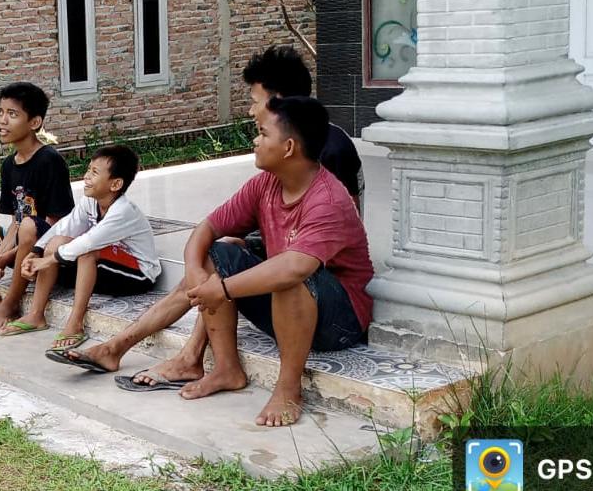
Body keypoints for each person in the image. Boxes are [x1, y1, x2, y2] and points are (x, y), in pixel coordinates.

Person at [50, 97, 373, 428]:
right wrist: (197, 274)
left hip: (338, 321)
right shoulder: (266, 183)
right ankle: (225, 368)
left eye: (262, 133)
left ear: (288, 147)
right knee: (218, 252)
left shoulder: (328, 199)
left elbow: (295, 268)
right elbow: (207, 228)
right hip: (288, 311)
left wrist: (222, 288)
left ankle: (288, 389)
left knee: (286, 275)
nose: (254, 140)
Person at [0, 82, 75, 331]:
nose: (2, 121)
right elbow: (16, 222)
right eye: (0, 112)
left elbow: (57, 223)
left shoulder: (49, 161)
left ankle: (10, 303)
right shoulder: (9, 164)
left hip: (45, 249)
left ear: (34, 122)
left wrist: (7, 255)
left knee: (30, 225)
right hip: (21, 243)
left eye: (12, 114)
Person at [18, 145, 160, 351]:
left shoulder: (123, 211)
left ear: (116, 184)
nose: (86, 177)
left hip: (139, 274)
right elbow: (64, 226)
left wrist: (46, 261)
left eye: (94, 173)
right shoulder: (90, 202)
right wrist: (36, 252)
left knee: (87, 250)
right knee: (57, 241)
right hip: (107, 266)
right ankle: (36, 314)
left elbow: (88, 242)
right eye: (88, 170)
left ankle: (75, 324)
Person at [241, 45, 363, 207]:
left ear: (278, 101)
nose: (251, 111)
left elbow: (346, 224)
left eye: (256, 102)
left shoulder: (332, 150)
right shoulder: (279, 143)